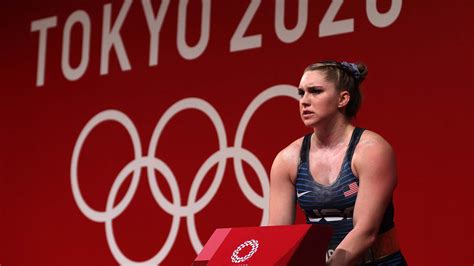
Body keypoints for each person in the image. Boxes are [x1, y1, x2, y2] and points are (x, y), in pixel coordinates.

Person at [268, 61, 407, 265]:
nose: (304, 101)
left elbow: (366, 231)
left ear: (343, 99)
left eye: (315, 91)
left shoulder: (371, 150)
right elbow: (277, 236)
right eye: (301, 93)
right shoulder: (287, 159)